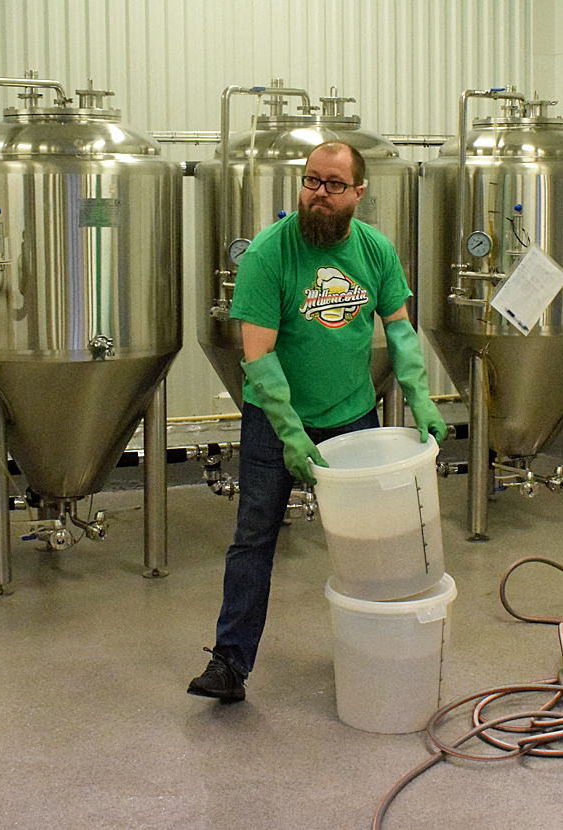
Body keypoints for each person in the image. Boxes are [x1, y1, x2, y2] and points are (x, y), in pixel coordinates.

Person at [188, 141, 447, 703]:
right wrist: (290, 432)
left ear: (359, 192)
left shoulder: (375, 249)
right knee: (254, 539)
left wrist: (421, 399)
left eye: (333, 184)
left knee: (373, 538)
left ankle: (382, 647)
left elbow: (400, 331)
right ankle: (229, 663)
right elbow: (258, 355)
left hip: (353, 416)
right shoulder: (268, 254)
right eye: (311, 181)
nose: (319, 194)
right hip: (274, 421)